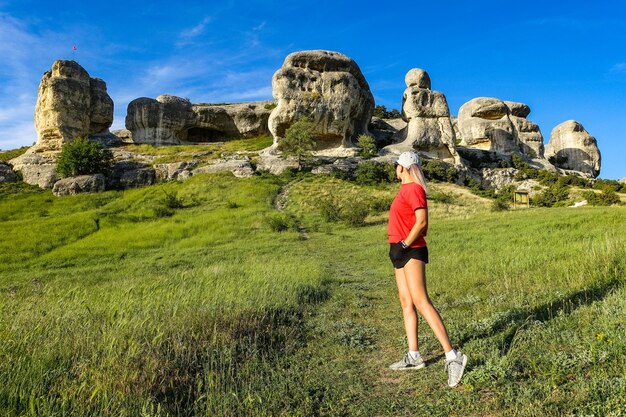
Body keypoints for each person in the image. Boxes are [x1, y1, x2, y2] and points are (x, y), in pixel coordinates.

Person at [387, 151, 467, 388]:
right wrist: (397, 247)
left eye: (397, 165)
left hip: (411, 249)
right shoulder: (404, 190)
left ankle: (453, 356)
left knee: (421, 301)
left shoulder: (414, 189)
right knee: (406, 302)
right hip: (399, 249)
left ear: (403, 167)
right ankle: (414, 356)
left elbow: (422, 222)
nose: (395, 169)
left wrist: (404, 244)